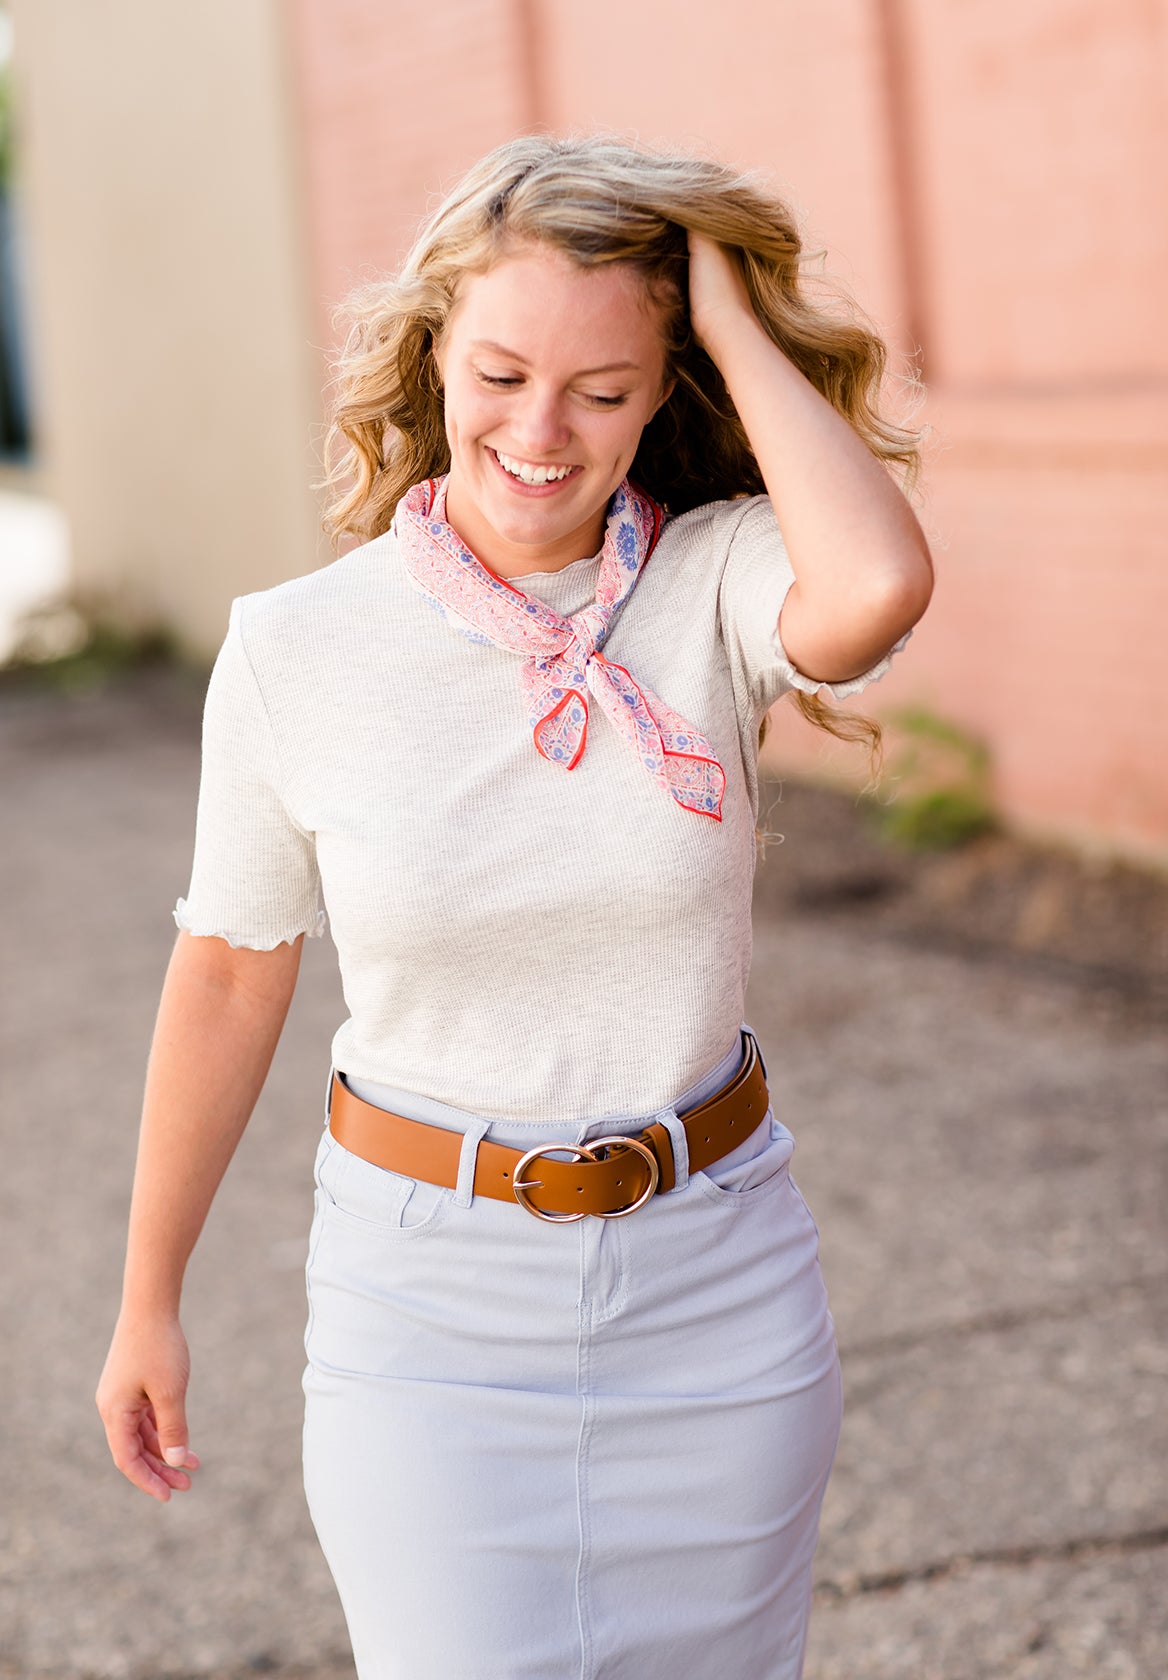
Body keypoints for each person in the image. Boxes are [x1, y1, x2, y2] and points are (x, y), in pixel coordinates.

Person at [96, 133, 933, 1679]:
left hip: (720, 1283)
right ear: (430, 362)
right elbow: (227, 973)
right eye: (497, 374)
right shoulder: (299, 650)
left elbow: (877, 586)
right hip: (429, 1311)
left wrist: (733, 317)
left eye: (601, 390)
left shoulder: (724, 578)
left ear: (663, 393)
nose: (540, 431)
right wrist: (149, 1300)